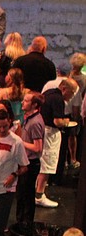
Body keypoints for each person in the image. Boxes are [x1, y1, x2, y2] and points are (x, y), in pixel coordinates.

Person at [35, 77, 77, 209]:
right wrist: (65, 121)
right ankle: (39, 195)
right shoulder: (58, 99)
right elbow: (57, 121)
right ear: (64, 88)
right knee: (47, 164)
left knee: (41, 162)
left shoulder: (48, 92)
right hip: (50, 133)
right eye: (72, 93)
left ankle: (36, 191)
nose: (71, 97)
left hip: (42, 130)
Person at [15, 94, 46, 225]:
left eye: (26, 101)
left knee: (27, 195)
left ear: (34, 105)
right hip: (25, 161)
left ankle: (25, 225)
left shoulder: (35, 122)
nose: (23, 102)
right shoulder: (29, 118)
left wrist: (20, 142)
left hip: (31, 163)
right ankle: (20, 222)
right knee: (22, 195)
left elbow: (38, 148)